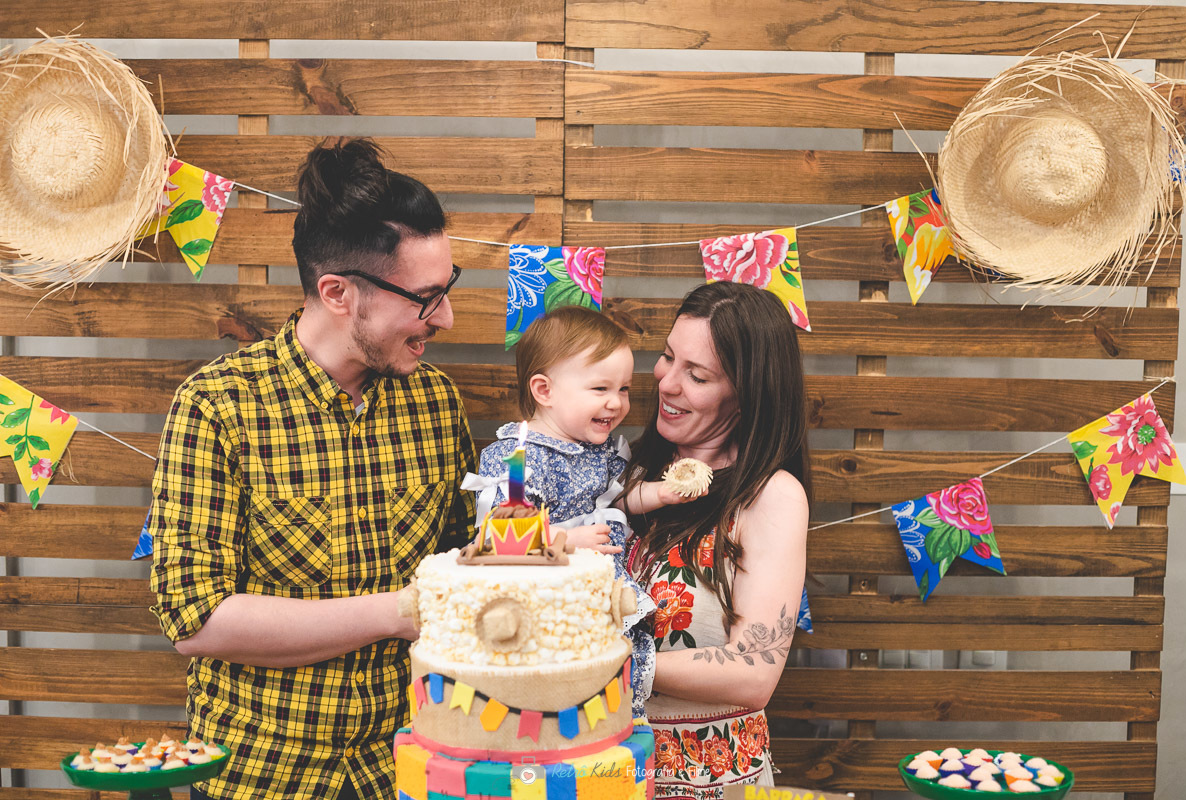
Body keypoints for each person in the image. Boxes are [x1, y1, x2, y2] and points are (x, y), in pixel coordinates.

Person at [149, 138, 475, 800]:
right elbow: (197, 619)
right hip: (263, 774)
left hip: (410, 765)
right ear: (337, 293)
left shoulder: (436, 402)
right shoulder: (218, 407)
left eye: (447, 289)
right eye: (425, 297)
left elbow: (466, 564)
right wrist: (398, 611)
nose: (445, 316)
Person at [620, 281, 811, 798]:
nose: (666, 382)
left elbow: (754, 672)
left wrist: (616, 662)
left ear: (747, 395)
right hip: (607, 771)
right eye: (667, 357)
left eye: (697, 375)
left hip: (708, 782)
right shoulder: (633, 473)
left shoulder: (770, 497)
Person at [466, 305, 694, 717]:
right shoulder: (518, 458)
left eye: (624, 389)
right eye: (600, 388)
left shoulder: (597, 450)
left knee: (606, 685)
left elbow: (617, 500)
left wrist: (661, 493)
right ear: (544, 391)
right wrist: (567, 540)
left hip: (596, 591)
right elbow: (498, 539)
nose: (616, 403)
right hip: (547, 594)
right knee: (560, 689)